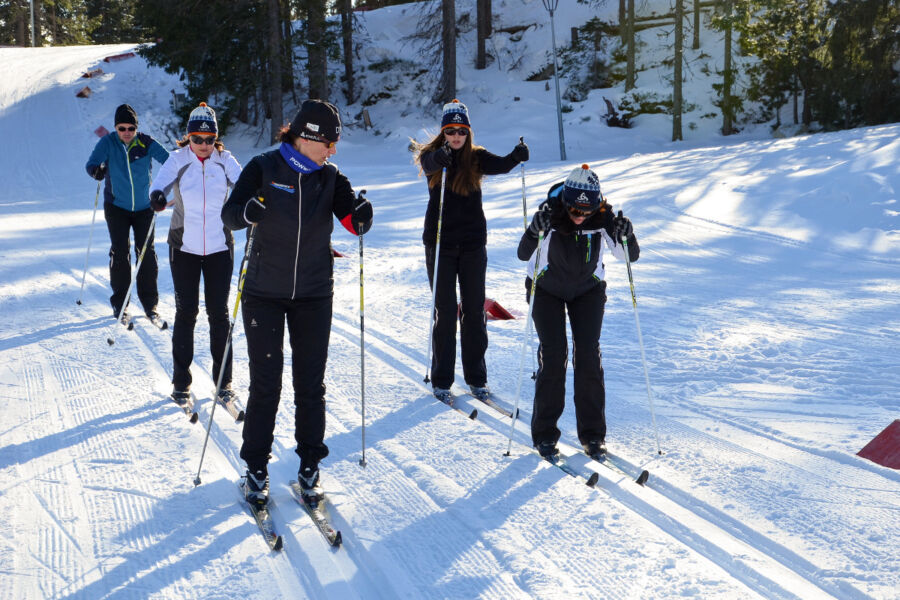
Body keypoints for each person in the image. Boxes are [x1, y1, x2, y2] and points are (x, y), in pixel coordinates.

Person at [221, 99, 373, 506]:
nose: (333, 150)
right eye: (330, 142)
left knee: (311, 385)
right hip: (263, 294)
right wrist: (247, 212)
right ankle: (256, 467)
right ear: (308, 137)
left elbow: (350, 220)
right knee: (266, 384)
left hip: (313, 294)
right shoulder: (264, 168)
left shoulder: (331, 178)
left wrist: (361, 216)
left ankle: (310, 466)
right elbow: (230, 214)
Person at [516, 164, 640, 460]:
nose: (579, 216)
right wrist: (534, 230)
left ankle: (593, 436)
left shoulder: (604, 217)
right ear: (566, 202)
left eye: (586, 211)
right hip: (546, 288)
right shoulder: (551, 212)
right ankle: (545, 434)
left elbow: (628, 256)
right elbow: (523, 254)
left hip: (588, 290)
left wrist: (628, 236)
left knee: (588, 355)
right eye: (574, 210)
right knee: (554, 354)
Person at [414, 99, 529, 403]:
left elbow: (502, 164)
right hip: (439, 244)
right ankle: (442, 379)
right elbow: (427, 163)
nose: (455, 136)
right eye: (450, 130)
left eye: (461, 131)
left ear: (468, 132)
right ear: (443, 132)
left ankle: (477, 378)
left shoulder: (476, 158)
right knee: (446, 310)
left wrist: (516, 157)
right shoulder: (433, 157)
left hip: (473, 245)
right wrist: (440, 157)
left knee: (474, 310)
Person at [148, 103, 243, 407]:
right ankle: (180, 384)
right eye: (196, 139)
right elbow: (158, 185)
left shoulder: (225, 160)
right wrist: (158, 196)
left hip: (219, 248)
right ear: (187, 137)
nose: (203, 145)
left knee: (219, 314)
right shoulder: (178, 159)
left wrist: (253, 204)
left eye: (209, 139)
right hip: (184, 248)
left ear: (216, 138)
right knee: (186, 313)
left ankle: (224, 383)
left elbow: (244, 187)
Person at [85, 104, 170, 321]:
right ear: (116, 128)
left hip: (144, 208)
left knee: (146, 255)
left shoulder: (146, 142)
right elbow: (92, 164)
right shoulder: (108, 142)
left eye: (130, 128)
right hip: (117, 207)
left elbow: (170, 162)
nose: (126, 133)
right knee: (121, 253)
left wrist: (164, 189)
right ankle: (120, 304)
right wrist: (97, 171)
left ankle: (150, 305)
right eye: (121, 128)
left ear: (136, 128)